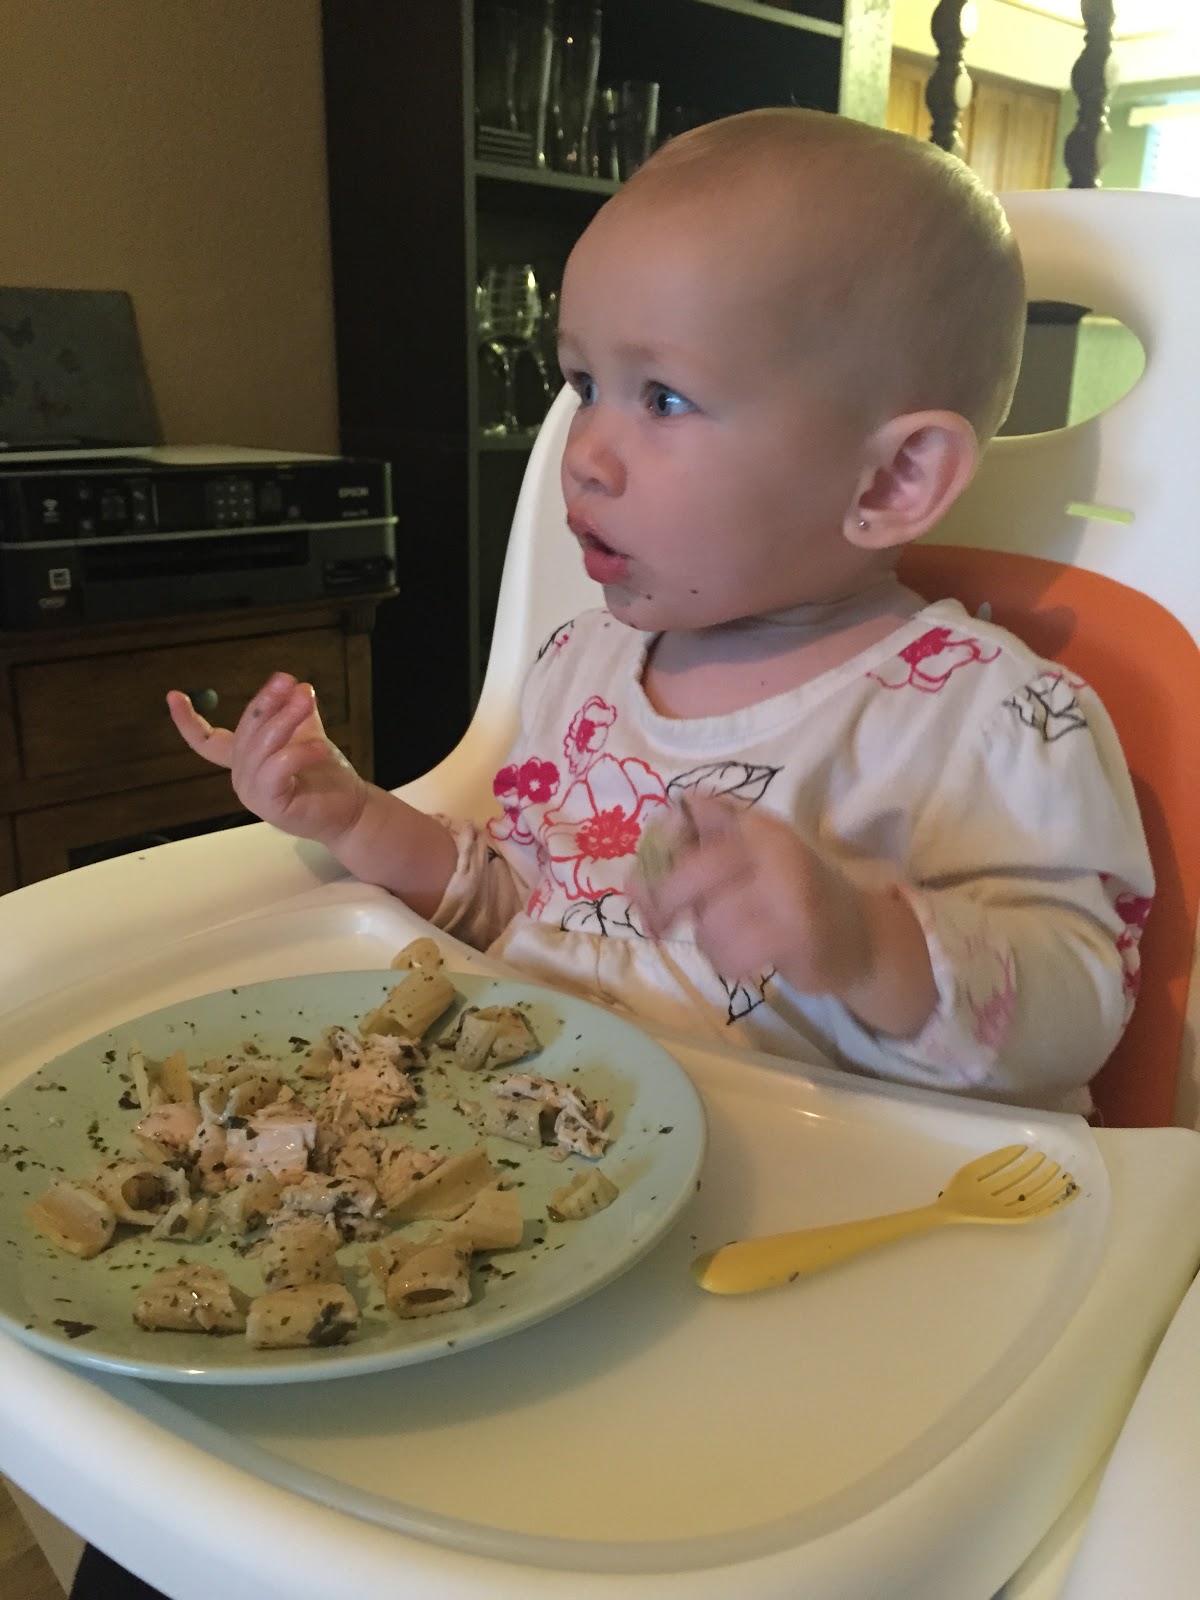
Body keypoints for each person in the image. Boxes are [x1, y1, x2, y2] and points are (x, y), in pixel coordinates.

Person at [167, 108, 1152, 1116]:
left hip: (838, 1181)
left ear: (893, 478)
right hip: (564, 1146)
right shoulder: (583, 667)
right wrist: (353, 816)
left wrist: (867, 943)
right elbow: (526, 909)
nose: (584, 452)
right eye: (585, 383)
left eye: (665, 398)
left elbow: (1083, 1004)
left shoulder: (986, 718)